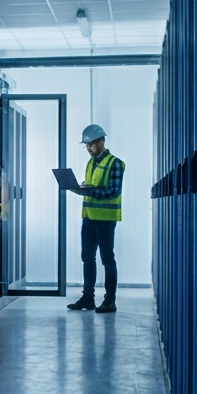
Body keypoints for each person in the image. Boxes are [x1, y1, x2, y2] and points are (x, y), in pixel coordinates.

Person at [64, 124, 124, 313]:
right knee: (87, 258)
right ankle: (87, 298)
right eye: (86, 145)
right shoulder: (91, 163)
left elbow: (113, 192)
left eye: (90, 144)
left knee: (107, 259)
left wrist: (87, 191)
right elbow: (92, 186)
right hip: (89, 218)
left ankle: (110, 301)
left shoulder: (115, 163)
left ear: (101, 141)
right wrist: (81, 188)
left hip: (105, 220)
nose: (88, 148)